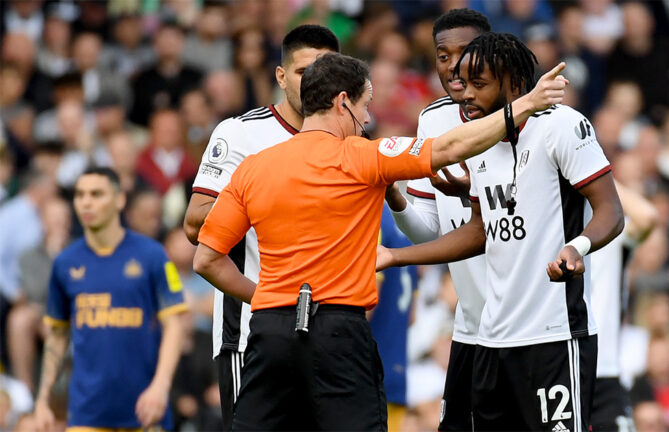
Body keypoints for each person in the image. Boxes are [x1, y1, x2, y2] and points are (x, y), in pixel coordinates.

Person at [192, 51, 568, 430]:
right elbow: (452, 147)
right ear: (343, 103)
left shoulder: (253, 167)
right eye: (365, 105)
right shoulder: (362, 155)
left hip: (269, 331)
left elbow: (206, 259)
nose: (368, 119)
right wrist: (526, 104)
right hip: (337, 332)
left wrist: (265, 299)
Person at [377, 33, 624, 432]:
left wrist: (576, 247)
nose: (466, 94)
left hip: (555, 335)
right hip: (491, 340)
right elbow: (480, 231)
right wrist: (395, 256)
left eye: (479, 84)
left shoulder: (562, 125)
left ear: (511, 83)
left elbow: (611, 211)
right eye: (464, 82)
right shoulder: (481, 139)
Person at [181, 24, 340, 431]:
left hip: (327, 330)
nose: (315, 83)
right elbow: (194, 221)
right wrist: (269, 199)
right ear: (281, 76)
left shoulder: (349, 138)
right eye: (304, 71)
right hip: (251, 330)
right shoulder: (242, 132)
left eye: (326, 71)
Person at [381, 8, 491, 430]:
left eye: (463, 53)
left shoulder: (533, 118)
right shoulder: (433, 119)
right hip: (469, 324)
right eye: (442, 55)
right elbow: (429, 228)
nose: (452, 66)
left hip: (532, 326)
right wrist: (398, 200)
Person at [34, 167, 187, 431]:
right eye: (80, 195)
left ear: (119, 200)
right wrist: (43, 399)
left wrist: (160, 387)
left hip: (144, 408)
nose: (86, 202)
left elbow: (175, 323)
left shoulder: (152, 255)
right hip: (86, 413)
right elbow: (57, 335)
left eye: (96, 194)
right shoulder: (65, 263)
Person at [590, 182, 658, 432]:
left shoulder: (610, 236)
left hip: (604, 374)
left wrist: (595, 175)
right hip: (556, 371)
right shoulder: (547, 235)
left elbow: (647, 216)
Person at [369, 204, 419, 432]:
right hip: (396, 368)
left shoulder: (370, 213)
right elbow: (412, 316)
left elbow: (367, 301)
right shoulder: (405, 220)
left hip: (366, 372)